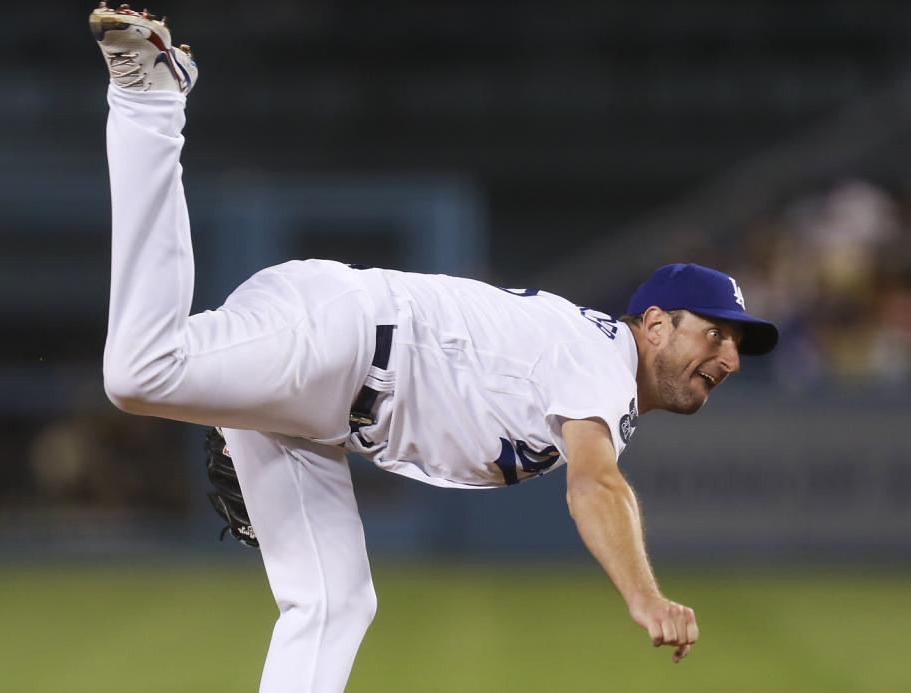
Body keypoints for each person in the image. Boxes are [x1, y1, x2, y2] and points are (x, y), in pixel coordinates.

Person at [90, 5, 779, 692]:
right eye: (713, 332)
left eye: (736, 344)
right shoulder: (603, 360)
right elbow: (594, 483)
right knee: (142, 371)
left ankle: (234, 394)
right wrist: (645, 595)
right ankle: (151, 99)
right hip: (346, 336)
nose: (727, 355)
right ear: (655, 324)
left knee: (335, 602)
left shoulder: (595, 369)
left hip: (324, 405)